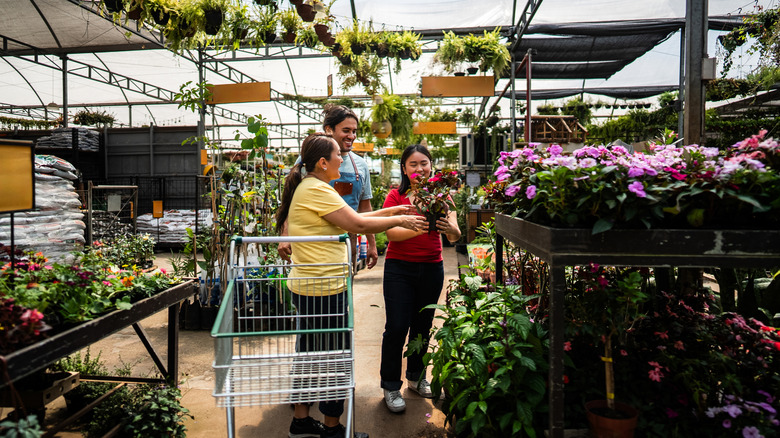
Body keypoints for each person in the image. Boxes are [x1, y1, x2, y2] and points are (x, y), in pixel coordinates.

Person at [277, 134, 426, 438]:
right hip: (323, 287)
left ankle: (301, 419)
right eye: (338, 156)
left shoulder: (313, 187)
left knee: (309, 355)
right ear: (323, 162)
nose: (343, 160)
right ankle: (332, 428)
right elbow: (357, 225)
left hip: (312, 285)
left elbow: (355, 217)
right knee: (335, 358)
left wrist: (395, 212)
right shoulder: (317, 189)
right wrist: (401, 222)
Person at [379, 144, 461, 413]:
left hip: (431, 268)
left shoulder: (443, 197)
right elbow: (391, 234)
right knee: (397, 327)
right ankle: (391, 385)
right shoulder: (395, 197)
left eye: (424, 163)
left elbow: (455, 235)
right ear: (404, 169)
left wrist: (450, 229)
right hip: (399, 269)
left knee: (423, 326)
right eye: (413, 164)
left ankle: (415, 377)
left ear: (432, 165)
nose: (419, 169)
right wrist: (421, 227)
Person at [279, 105, 378, 272]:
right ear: (329, 129)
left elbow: (365, 207)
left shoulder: (360, 165)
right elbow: (291, 200)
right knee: (315, 289)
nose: (352, 136)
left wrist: (372, 244)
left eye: (354, 131)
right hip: (312, 239)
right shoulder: (309, 160)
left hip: (346, 238)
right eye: (346, 130)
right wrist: (285, 235)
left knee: (344, 289)